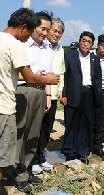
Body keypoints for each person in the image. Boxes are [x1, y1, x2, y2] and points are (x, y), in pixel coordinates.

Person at [0, 8, 59, 195]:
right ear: (23, 27)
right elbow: (29, 76)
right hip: (0, 107)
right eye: (28, 32)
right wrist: (49, 80)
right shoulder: (15, 45)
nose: (27, 37)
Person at [14, 11, 54, 190]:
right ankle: (17, 172)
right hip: (23, 90)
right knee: (20, 132)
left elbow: (50, 74)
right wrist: (31, 76)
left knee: (34, 134)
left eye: (48, 29)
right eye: (42, 29)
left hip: (39, 92)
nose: (45, 33)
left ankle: (27, 168)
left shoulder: (47, 48)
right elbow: (17, 71)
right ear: (33, 27)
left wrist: (47, 95)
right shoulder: (23, 44)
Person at [60, 31, 102, 164]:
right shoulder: (69, 56)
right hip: (72, 93)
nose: (85, 44)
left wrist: (98, 98)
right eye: (83, 41)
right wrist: (64, 94)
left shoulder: (95, 59)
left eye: (89, 42)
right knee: (71, 124)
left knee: (85, 124)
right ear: (79, 41)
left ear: (92, 45)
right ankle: (69, 151)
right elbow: (64, 76)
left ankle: (82, 151)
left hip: (88, 94)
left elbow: (97, 79)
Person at [32, 17, 65, 174]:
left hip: (52, 94)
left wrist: (60, 89)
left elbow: (61, 72)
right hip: (41, 92)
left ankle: (40, 156)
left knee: (47, 128)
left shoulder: (60, 50)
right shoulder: (42, 46)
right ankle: (32, 159)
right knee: (35, 128)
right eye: (54, 30)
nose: (56, 34)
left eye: (60, 32)